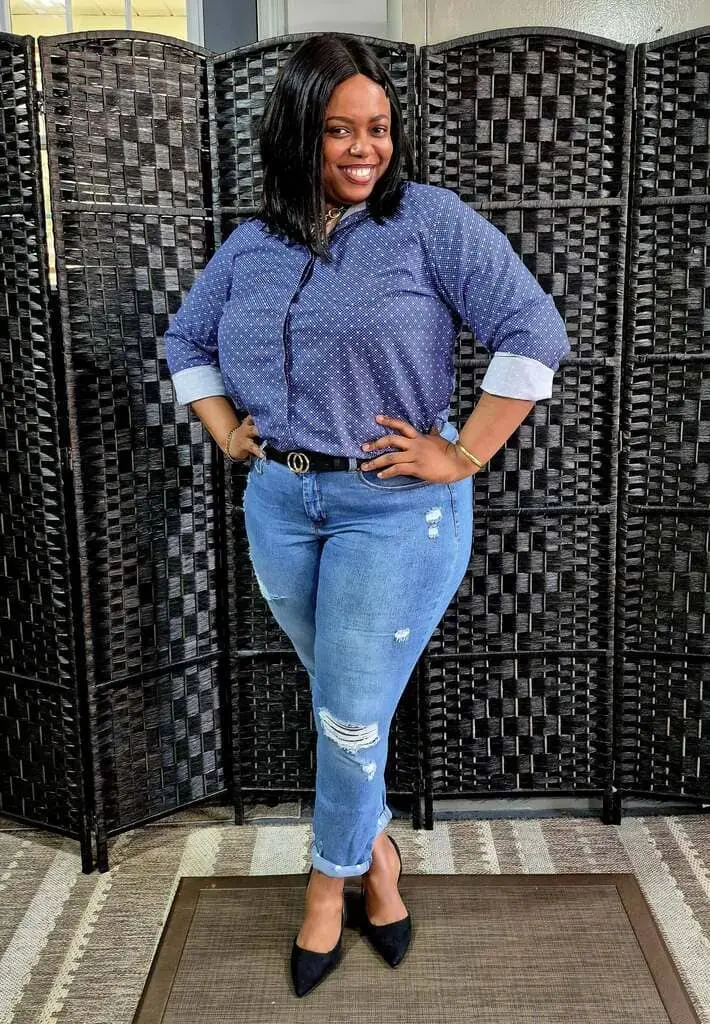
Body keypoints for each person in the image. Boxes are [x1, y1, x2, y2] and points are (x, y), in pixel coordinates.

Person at [164, 32, 571, 998]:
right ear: (297, 133)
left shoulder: (427, 221)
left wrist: (463, 453)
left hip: (392, 511)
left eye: (378, 128)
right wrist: (227, 431)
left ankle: (326, 885)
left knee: (348, 717)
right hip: (280, 504)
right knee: (346, 704)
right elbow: (187, 337)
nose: (363, 149)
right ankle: (379, 859)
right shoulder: (254, 243)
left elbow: (534, 330)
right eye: (339, 129)